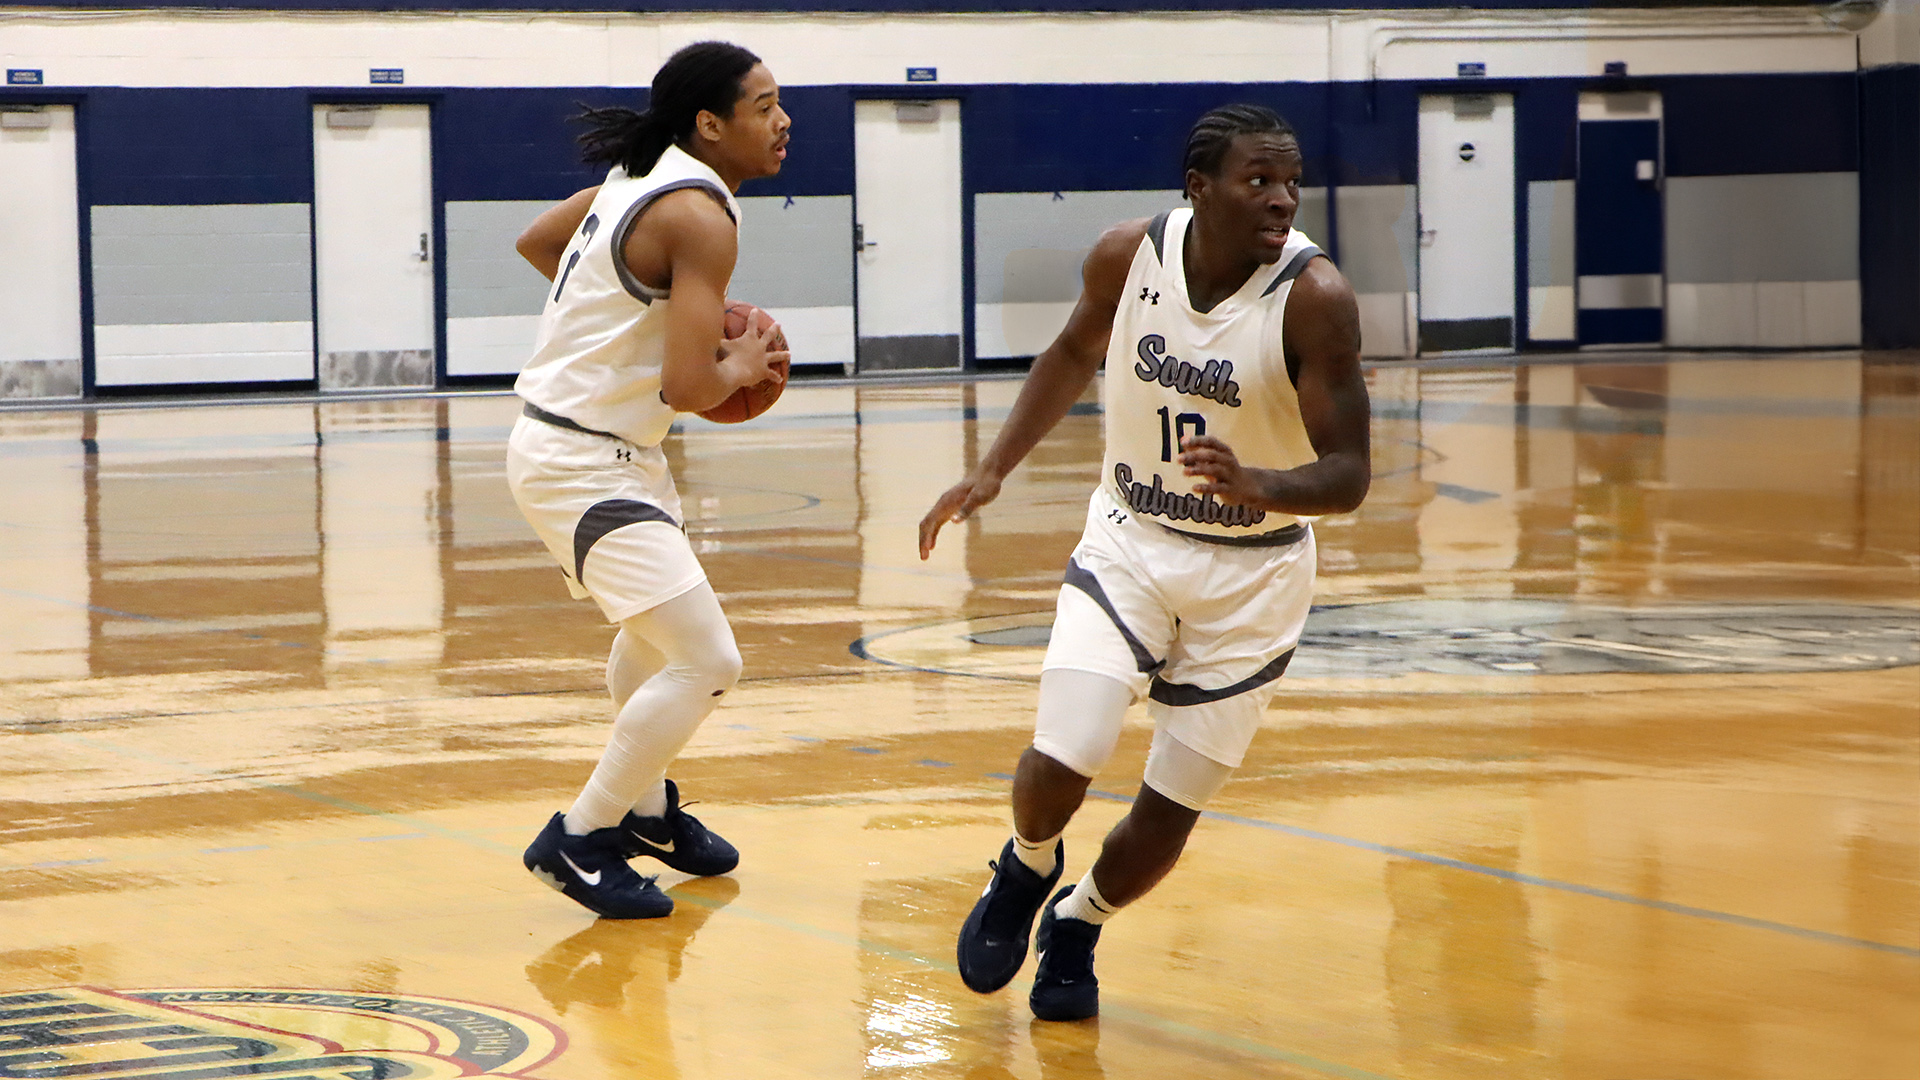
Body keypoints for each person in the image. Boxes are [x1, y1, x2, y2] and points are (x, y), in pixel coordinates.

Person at [918, 104, 1370, 1019]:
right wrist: (991, 468)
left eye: (1291, 183)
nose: (1282, 200)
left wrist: (1261, 484)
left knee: (1165, 820)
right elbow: (1074, 350)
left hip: (1255, 574)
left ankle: (1078, 922)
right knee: (1063, 756)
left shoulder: (1314, 298)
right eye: (1258, 182)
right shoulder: (1128, 256)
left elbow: (1351, 475)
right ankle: (1027, 866)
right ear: (1198, 189)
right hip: (1130, 539)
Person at [507, 41, 791, 919]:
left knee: (653, 640)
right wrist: (739, 362)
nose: (784, 122)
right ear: (711, 124)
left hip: (607, 448)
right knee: (708, 660)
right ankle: (582, 838)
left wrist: (614, 318)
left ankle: (649, 812)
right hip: (583, 459)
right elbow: (690, 389)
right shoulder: (701, 217)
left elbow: (536, 242)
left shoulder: (635, 178)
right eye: (765, 106)